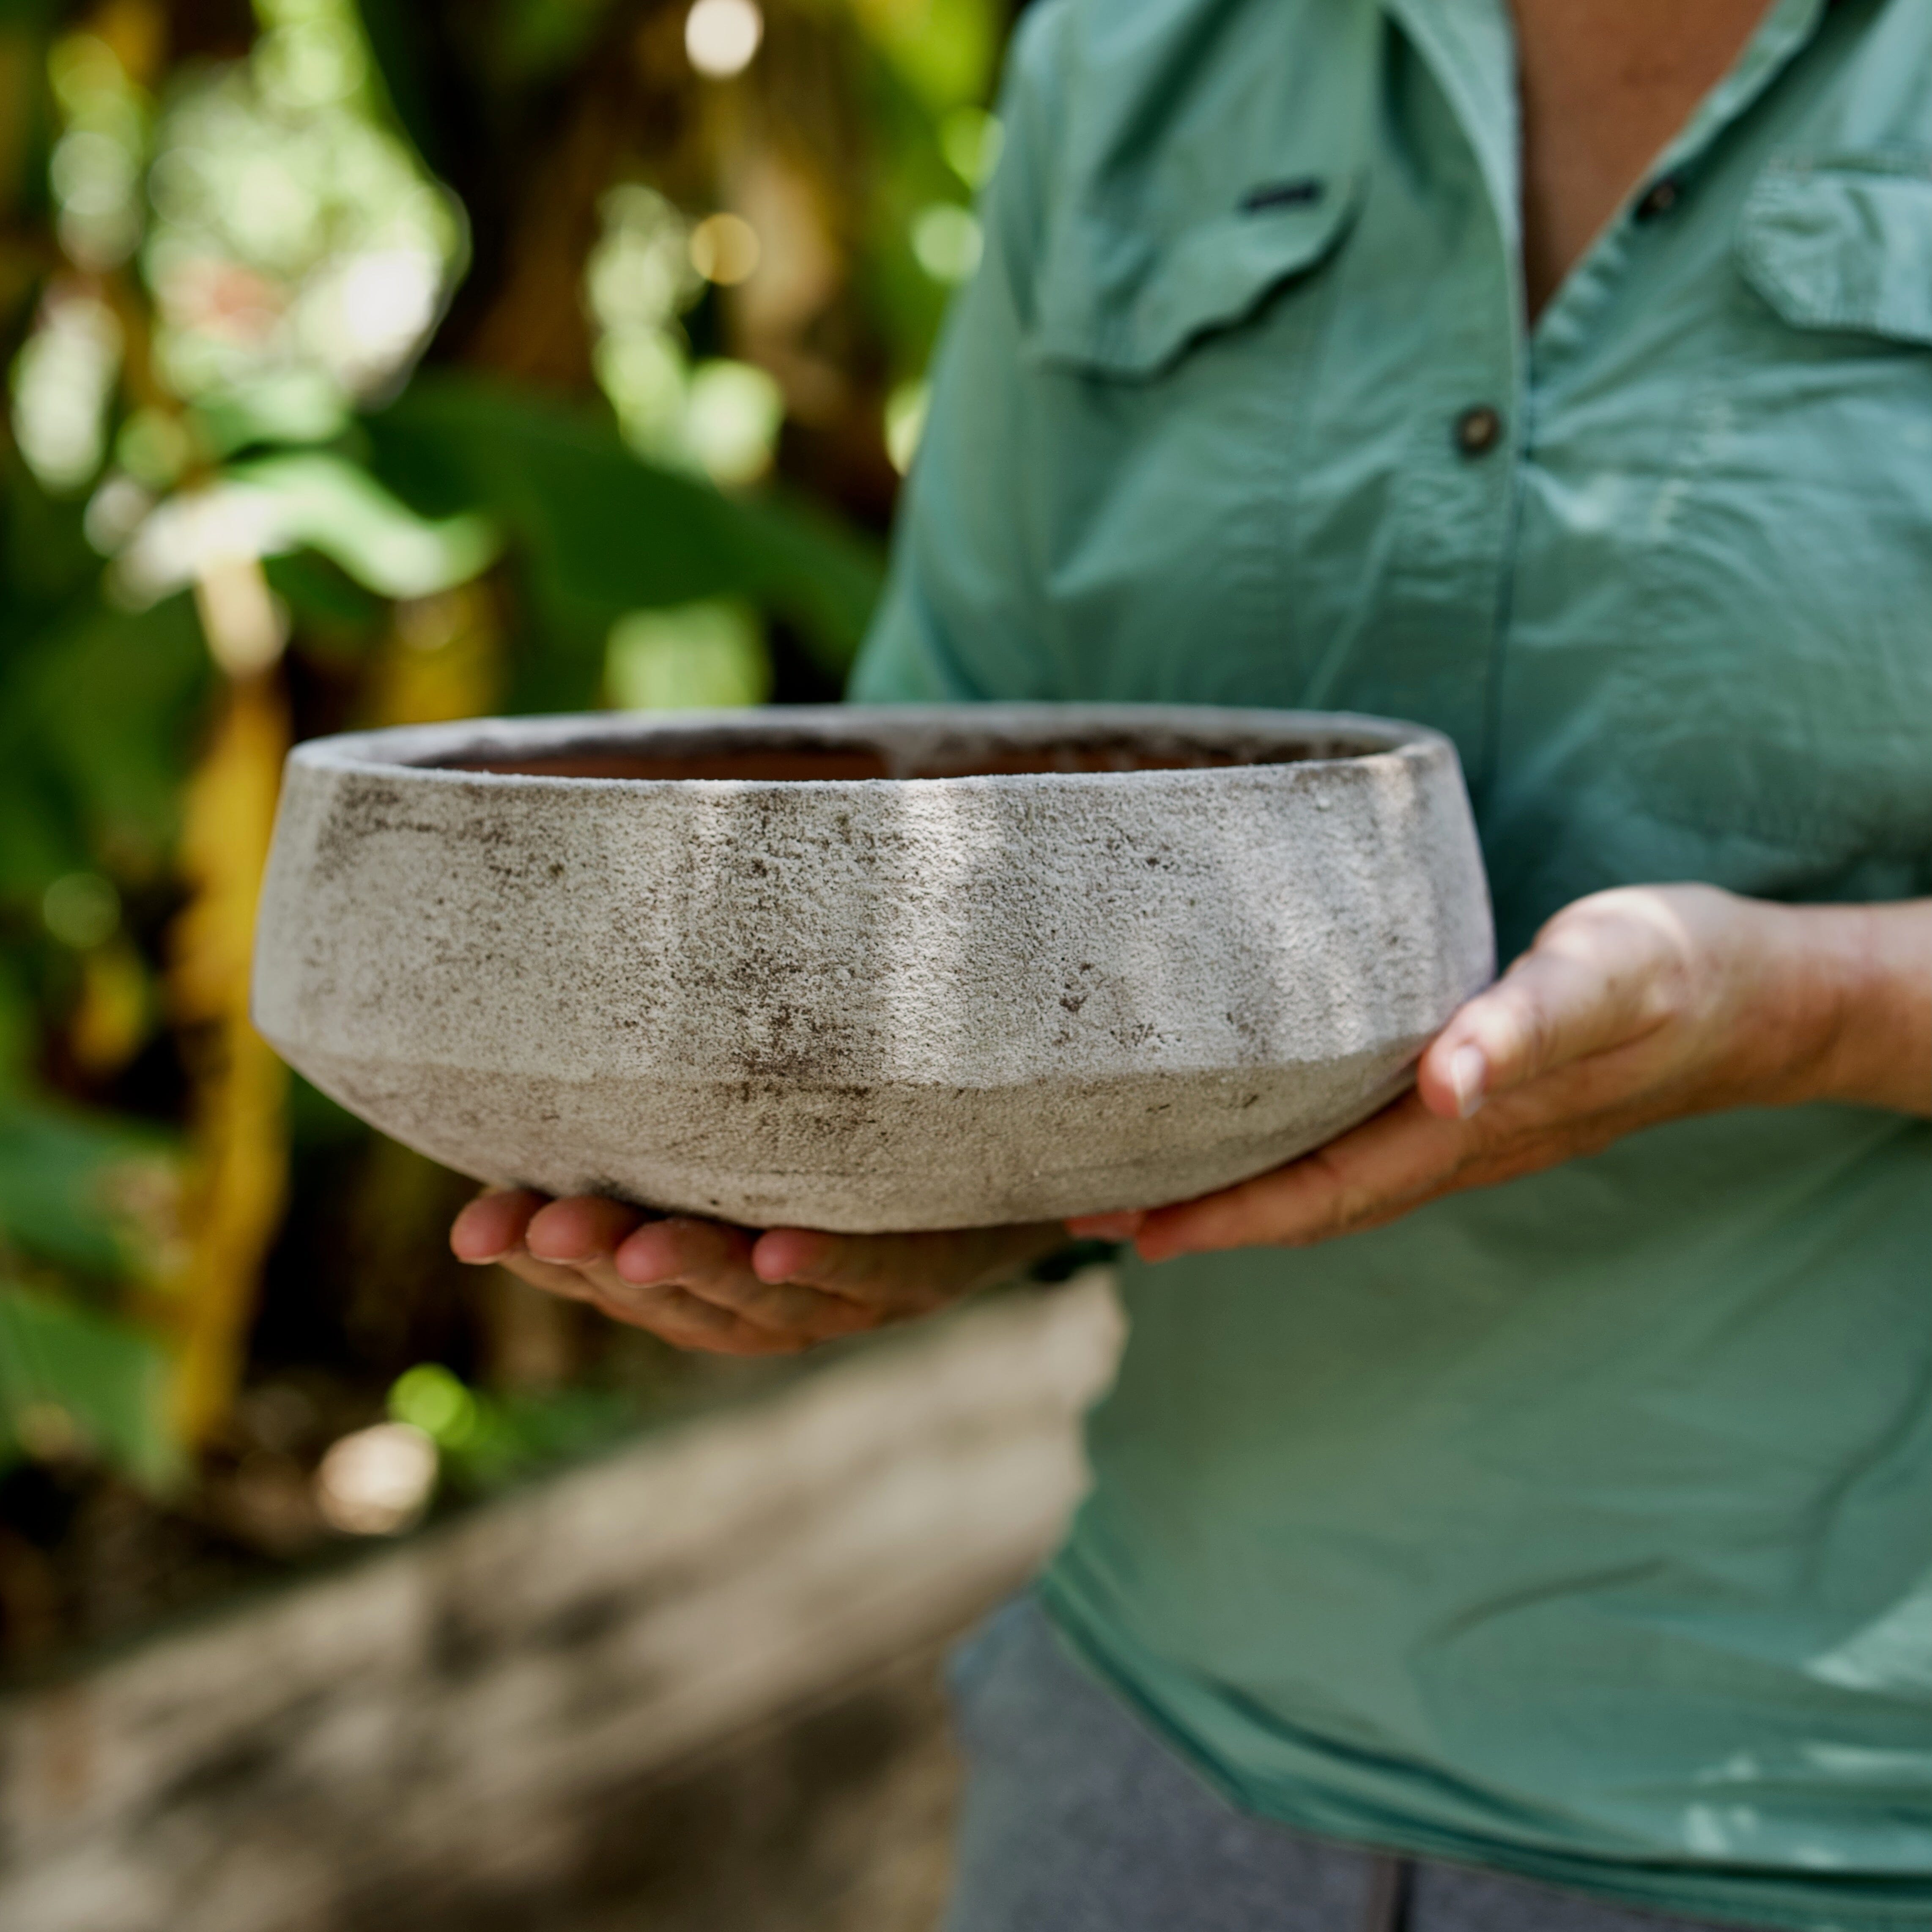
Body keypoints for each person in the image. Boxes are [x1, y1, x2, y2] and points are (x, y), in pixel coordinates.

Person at [451, 0, 1932, 1925]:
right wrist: (924, 1186)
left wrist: (1793, 1010)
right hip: (1159, 1750)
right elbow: (955, 822)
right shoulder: (1147, 51)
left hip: (1830, 1824)